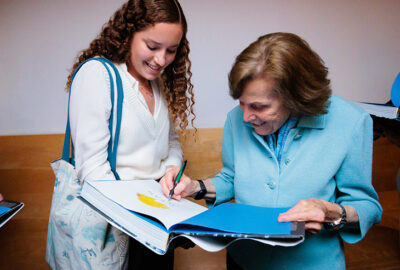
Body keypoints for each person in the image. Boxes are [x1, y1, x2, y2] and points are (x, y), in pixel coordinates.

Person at [161, 32, 382, 269]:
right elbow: (231, 179)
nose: (245, 116)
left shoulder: (350, 122)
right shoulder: (237, 119)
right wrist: (195, 187)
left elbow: (367, 205)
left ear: (297, 96)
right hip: (243, 261)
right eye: (241, 103)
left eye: (259, 106)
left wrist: (331, 213)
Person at [68, 0, 194, 269]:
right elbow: (92, 172)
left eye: (171, 50)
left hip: (155, 227)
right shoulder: (98, 74)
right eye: (152, 46)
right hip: (113, 230)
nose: (161, 60)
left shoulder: (158, 83)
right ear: (128, 34)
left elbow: (170, 142)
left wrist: (172, 169)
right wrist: (141, 217)